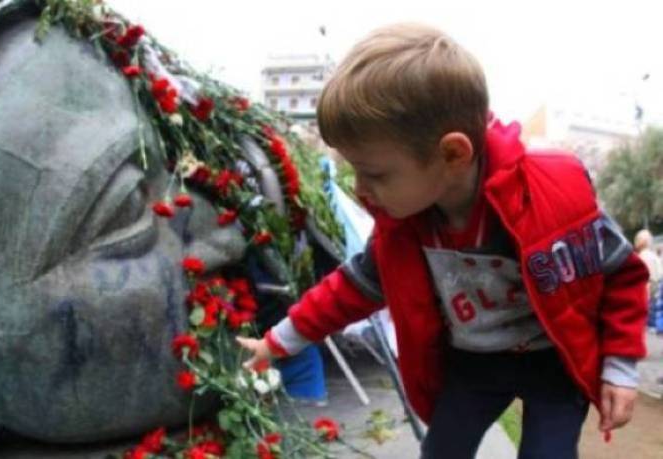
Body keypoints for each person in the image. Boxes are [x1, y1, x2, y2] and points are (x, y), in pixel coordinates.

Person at [237, 23, 649, 459]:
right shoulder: (405, 226)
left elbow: (622, 275)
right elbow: (349, 290)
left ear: (452, 154)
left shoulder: (552, 199)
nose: (360, 189)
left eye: (375, 174)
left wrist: (619, 369)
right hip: (475, 364)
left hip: (555, 361)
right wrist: (278, 341)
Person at [634, 229, 661, 300]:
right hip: (656, 298)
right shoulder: (652, 256)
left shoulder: (643, 257)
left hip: (651, 300)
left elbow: (651, 282)